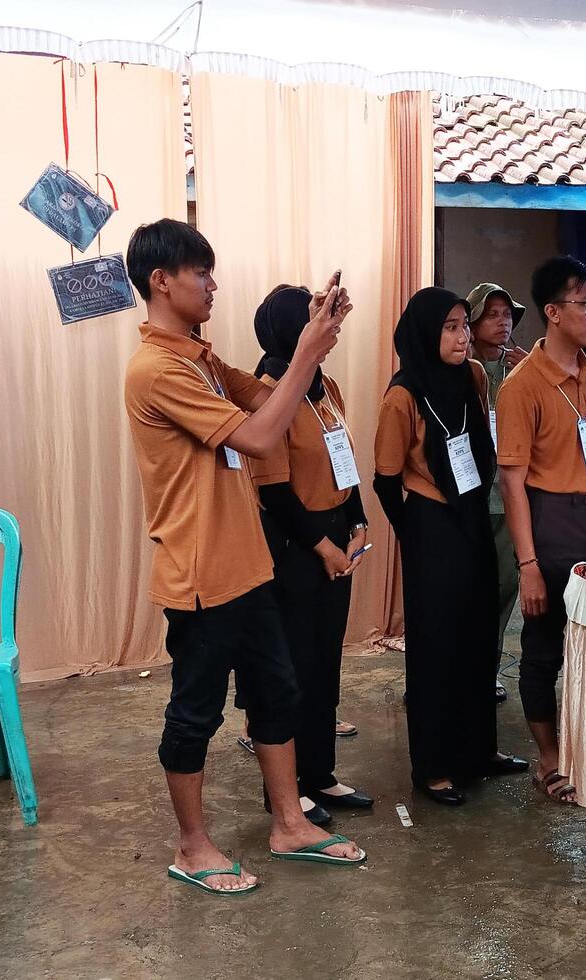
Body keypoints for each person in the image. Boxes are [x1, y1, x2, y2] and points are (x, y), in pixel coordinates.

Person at [122, 218, 364, 899]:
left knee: (276, 694)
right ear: (161, 281)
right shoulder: (156, 369)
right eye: (202, 274)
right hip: (200, 576)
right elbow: (260, 435)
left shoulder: (199, 358)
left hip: (248, 566)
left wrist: (309, 347)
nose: (213, 285)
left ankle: (288, 822)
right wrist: (308, 350)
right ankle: (192, 845)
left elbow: (266, 398)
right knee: (195, 713)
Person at [374, 287, 528, 806]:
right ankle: (434, 767)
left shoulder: (474, 378)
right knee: (437, 648)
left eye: (466, 326)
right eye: (451, 328)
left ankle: (479, 750)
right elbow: (384, 479)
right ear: (424, 333)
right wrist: (414, 536)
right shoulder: (403, 396)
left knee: (480, 637)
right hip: (431, 524)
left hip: (471, 517)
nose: (463, 337)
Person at [497, 256, 586, 806]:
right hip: (551, 520)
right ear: (552, 313)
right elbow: (513, 483)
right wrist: (528, 565)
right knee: (544, 643)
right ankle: (549, 759)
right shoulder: (522, 386)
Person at [246, 285, 372, 815]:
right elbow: (272, 491)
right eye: (313, 318)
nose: (326, 325)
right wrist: (322, 546)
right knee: (291, 669)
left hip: (336, 534)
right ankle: (286, 787)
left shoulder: (326, 387)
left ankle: (320, 774)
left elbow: (342, 455)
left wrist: (359, 517)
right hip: (294, 545)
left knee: (324, 662)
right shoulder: (269, 390)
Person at [465, 282, 528, 703]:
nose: (503, 321)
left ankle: (487, 670)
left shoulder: (521, 370)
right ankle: (451, 670)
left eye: (507, 314)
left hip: (507, 498)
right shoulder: (458, 368)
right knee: (464, 590)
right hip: (468, 499)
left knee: (505, 587)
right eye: (492, 314)